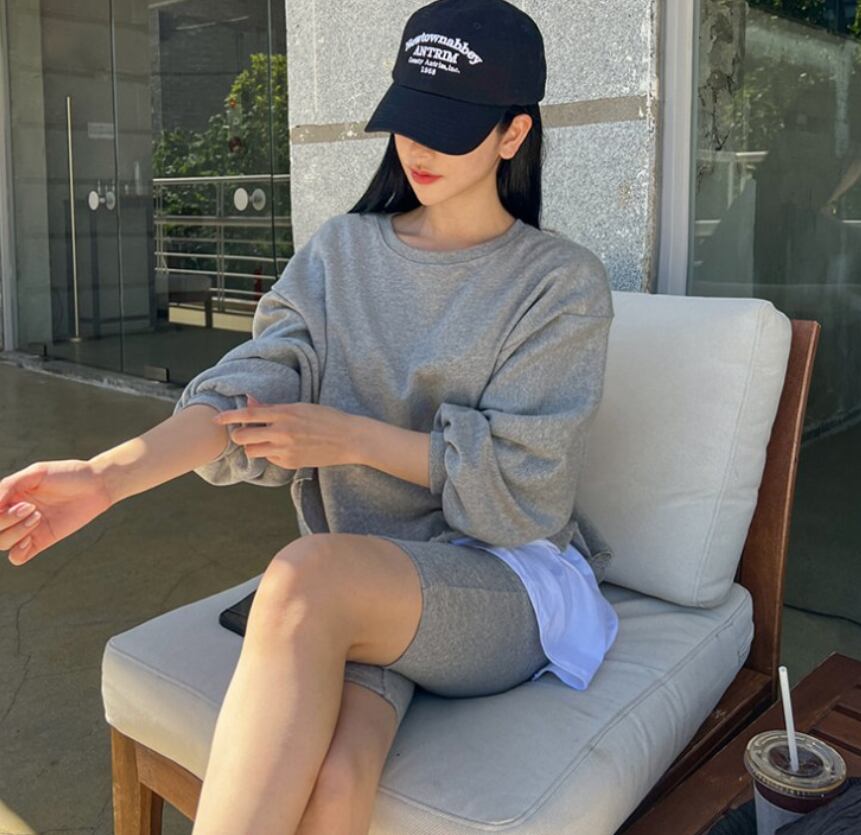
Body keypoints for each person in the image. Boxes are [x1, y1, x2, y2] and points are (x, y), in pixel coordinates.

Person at [0, 0, 619, 832]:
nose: (418, 147)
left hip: (503, 580)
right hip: (363, 581)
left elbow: (525, 493)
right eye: (409, 118)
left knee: (304, 574)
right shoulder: (341, 252)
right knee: (332, 780)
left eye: (449, 127)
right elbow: (245, 395)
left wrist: (350, 437)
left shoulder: (558, 282)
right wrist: (106, 478)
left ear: (513, 134)